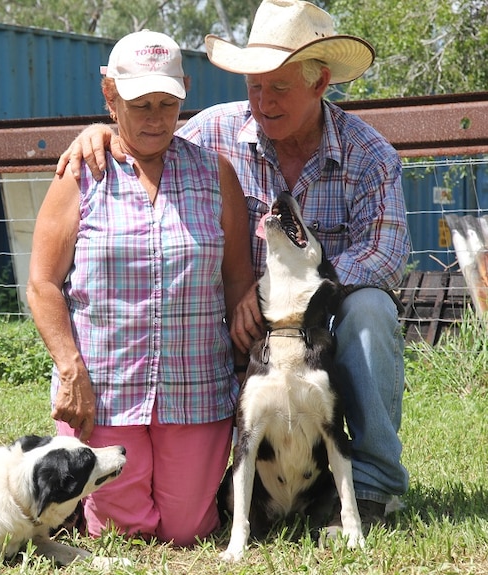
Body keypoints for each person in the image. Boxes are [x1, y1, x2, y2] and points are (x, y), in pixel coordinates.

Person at [57, 0, 411, 535]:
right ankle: (237, 473)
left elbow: (384, 257)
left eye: (280, 89)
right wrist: (101, 132)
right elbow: (150, 140)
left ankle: (372, 486)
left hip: (325, 318)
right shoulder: (212, 133)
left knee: (373, 312)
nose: (263, 102)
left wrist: (287, 297)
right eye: (254, 87)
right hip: (237, 327)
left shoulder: (370, 156)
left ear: (320, 86)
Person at [26, 29, 255, 547]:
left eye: (167, 103)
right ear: (110, 95)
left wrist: (247, 369)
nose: (155, 118)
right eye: (140, 104)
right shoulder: (81, 175)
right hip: (102, 392)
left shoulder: (214, 174)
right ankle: (68, 495)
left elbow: (238, 279)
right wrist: (69, 368)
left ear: (185, 93)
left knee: (186, 531)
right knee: (124, 531)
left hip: (194, 390)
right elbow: (42, 283)